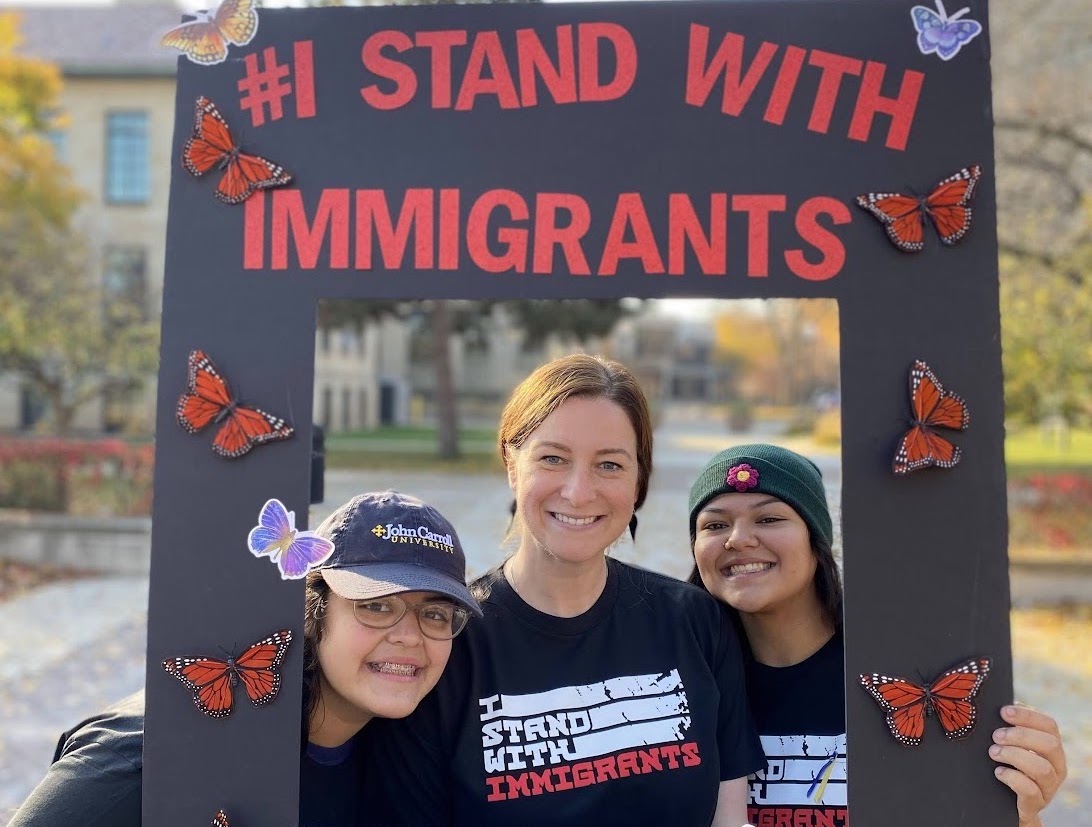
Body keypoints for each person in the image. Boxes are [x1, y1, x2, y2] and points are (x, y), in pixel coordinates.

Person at [369, 354, 763, 827]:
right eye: (553, 458)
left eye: (610, 465)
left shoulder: (695, 622)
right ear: (512, 466)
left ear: (639, 480)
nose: (579, 492)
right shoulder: (446, 644)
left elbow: (730, 819)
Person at [7, 490, 482, 827]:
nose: (408, 636)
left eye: (436, 614)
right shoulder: (152, 752)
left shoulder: (404, 753)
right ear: (313, 610)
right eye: (376, 606)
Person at [686, 443, 1068, 827]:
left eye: (768, 519)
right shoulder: (683, 683)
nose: (738, 539)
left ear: (816, 541)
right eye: (715, 525)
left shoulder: (910, 669)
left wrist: (1019, 810)